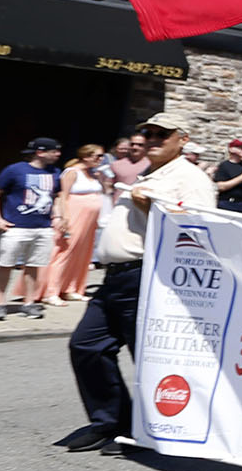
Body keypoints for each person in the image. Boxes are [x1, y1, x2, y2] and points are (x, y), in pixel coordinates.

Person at [63, 116, 215, 453]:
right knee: (86, 345)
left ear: (183, 139)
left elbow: (201, 231)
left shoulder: (191, 178)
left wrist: (152, 210)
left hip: (147, 275)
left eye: (163, 134)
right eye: (148, 132)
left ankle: (147, 430)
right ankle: (110, 421)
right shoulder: (151, 173)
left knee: (147, 358)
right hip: (116, 278)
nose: (153, 138)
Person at [0, 137, 62, 320]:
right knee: (6, 265)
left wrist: (57, 216)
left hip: (43, 227)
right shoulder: (15, 170)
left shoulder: (55, 172)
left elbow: (57, 196)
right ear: (40, 152)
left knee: (34, 266)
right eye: (54, 150)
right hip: (16, 226)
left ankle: (29, 303)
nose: (58, 154)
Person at [41, 144, 108, 305]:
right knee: (66, 251)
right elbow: (63, 196)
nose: (100, 159)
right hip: (74, 214)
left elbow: (105, 191)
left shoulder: (93, 174)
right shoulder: (72, 172)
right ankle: (51, 291)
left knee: (83, 253)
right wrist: (63, 217)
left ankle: (72, 287)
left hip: (89, 219)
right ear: (86, 156)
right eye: (97, 156)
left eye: (101, 156)